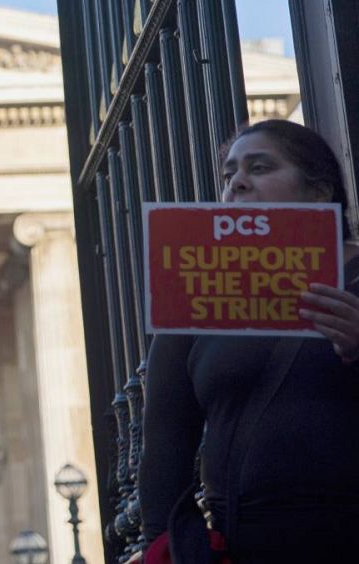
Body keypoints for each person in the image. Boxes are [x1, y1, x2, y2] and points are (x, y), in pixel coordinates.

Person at [140, 119, 359, 562]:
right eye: (229, 174)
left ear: (319, 191)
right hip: (243, 544)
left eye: (260, 168)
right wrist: (163, 544)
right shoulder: (198, 292)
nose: (237, 182)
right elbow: (165, 440)